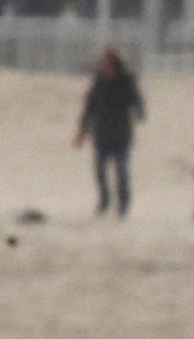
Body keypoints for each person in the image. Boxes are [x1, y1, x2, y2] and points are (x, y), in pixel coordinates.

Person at [75, 48, 145, 220]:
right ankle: (104, 201)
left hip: (122, 134)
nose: (105, 68)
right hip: (102, 133)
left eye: (108, 65)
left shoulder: (127, 81)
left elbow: (137, 100)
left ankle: (123, 204)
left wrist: (139, 112)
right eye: (103, 65)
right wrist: (82, 132)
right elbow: (89, 107)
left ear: (116, 66)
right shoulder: (99, 82)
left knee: (121, 171)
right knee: (100, 170)